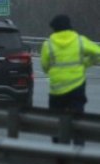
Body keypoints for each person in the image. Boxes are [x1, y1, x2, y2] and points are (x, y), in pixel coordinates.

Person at [41, 14, 100, 143]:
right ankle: (78, 148)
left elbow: (44, 67)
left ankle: (59, 150)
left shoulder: (48, 44)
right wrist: (86, 63)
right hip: (76, 87)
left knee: (56, 121)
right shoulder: (79, 40)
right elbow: (98, 53)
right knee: (78, 119)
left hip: (57, 91)